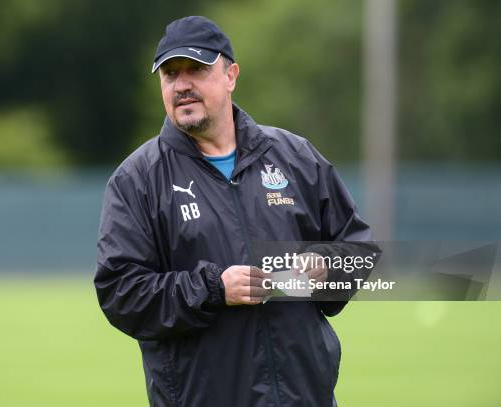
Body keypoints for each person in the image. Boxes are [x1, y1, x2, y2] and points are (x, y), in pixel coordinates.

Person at [95, 15, 373, 407]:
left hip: (303, 398)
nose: (183, 85)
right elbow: (121, 292)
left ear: (231, 75)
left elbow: (358, 249)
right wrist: (213, 289)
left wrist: (324, 266)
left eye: (196, 69)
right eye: (171, 74)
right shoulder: (138, 179)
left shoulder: (296, 157)